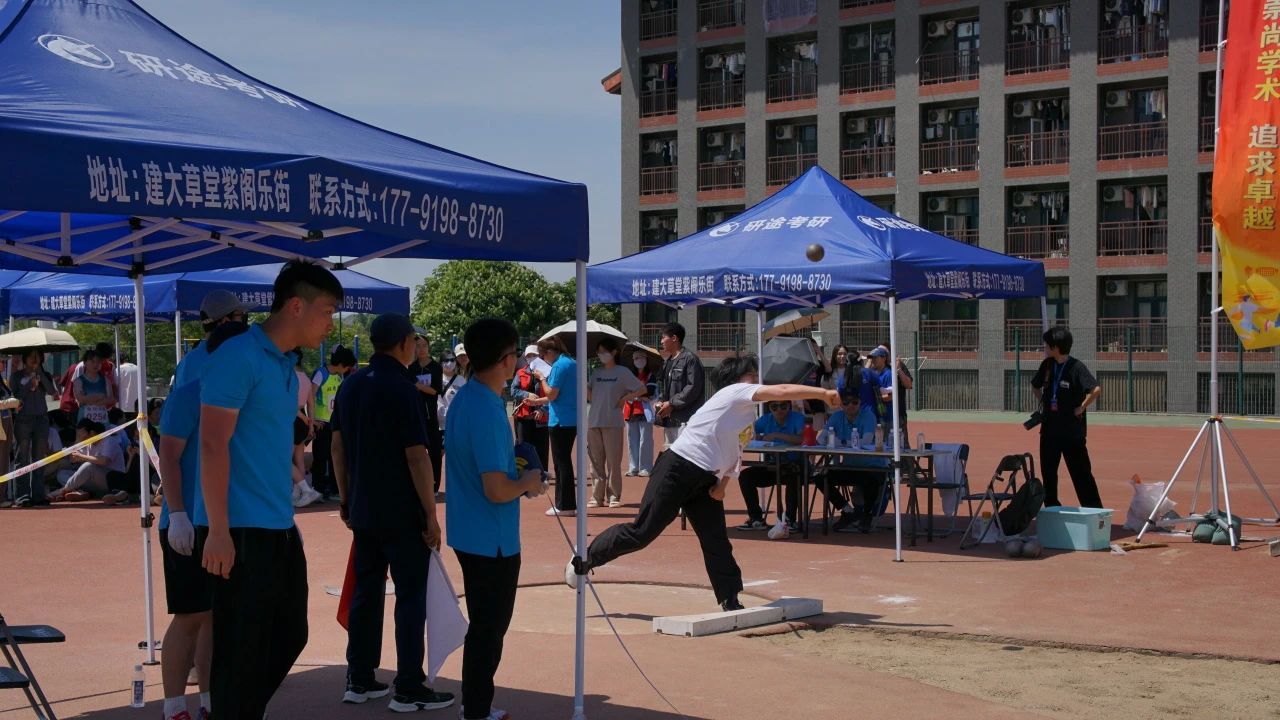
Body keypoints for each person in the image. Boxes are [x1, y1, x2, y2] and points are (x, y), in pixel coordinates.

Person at [568, 355, 839, 610]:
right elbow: (781, 390)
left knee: (716, 539)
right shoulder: (733, 392)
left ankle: (730, 600)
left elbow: (735, 453)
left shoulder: (748, 417)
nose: (757, 379)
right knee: (643, 532)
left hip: (706, 479)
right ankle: (587, 556)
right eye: (751, 375)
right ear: (737, 379)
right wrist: (822, 394)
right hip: (677, 468)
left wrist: (722, 485)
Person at [199, 260, 342, 719]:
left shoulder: (284, 366)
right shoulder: (238, 356)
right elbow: (211, 443)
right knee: (241, 649)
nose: (331, 323)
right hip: (239, 528)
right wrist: (217, 530)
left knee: (289, 634)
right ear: (296, 306)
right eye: (327, 311)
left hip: (278, 523)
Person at [332, 314, 454, 712]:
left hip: (363, 507)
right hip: (401, 510)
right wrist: (430, 514)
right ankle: (409, 685)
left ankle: (359, 676)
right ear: (404, 343)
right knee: (410, 596)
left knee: (366, 592)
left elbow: (337, 446)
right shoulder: (403, 387)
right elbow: (416, 455)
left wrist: (346, 497)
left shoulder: (351, 384)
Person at [445, 318, 547, 720]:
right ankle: (476, 708)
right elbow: (497, 489)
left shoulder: (466, 397)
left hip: (471, 531)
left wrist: (516, 472)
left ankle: (475, 704)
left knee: (485, 627)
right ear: (506, 359)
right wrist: (527, 481)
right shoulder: (486, 409)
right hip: (492, 539)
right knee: (489, 630)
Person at [155, 321, 249, 720]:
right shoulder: (187, 395)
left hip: (220, 522)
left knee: (213, 617)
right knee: (190, 615)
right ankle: (174, 707)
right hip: (185, 523)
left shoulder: (240, 398)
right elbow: (169, 457)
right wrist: (177, 513)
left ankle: (210, 701)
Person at [1031, 327, 1103, 509]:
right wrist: (1044, 401)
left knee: (1081, 474)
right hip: (1049, 431)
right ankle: (1052, 507)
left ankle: (1094, 510)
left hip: (1072, 433)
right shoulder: (1047, 365)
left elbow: (1095, 389)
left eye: (1047, 345)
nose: (1045, 347)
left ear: (1056, 347)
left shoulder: (1076, 367)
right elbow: (1035, 385)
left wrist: (1081, 407)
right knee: (1048, 473)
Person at [586, 338, 647, 508]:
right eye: (599, 352)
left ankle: (613, 496)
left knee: (613, 462)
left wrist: (625, 398)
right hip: (594, 421)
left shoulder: (622, 372)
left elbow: (642, 389)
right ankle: (597, 497)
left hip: (613, 422)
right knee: (595, 462)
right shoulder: (596, 372)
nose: (601, 355)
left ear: (613, 352)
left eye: (604, 351)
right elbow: (591, 397)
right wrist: (584, 386)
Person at [822, 391, 888, 533]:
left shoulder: (869, 416)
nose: (850, 405)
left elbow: (866, 441)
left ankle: (867, 515)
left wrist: (839, 442)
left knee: (870, 479)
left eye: (854, 402)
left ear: (860, 403)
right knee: (821, 477)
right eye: (846, 403)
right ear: (841, 404)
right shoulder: (836, 416)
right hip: (850, 467)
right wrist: (836, 440)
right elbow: (821, 438)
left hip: (873, 467)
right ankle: (847, 510)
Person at [735, 400, 804, 532]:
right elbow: (744, 436)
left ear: (789, 406)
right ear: (770, 408)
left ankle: (790, 520)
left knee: (793, 475)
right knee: (745, 476)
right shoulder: (765, 419)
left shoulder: (797, 418)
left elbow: (802, 439)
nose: (779, 410)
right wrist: (754, 436)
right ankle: (756, 518)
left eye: (783, 406)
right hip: (774, 465)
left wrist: (777, 435)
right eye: (774, 407)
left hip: (796, 464)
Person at [535, 336, 577, 516]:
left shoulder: (559, 365)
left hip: (560, 420)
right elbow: (559, 395)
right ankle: (564, 503)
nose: (543, 358)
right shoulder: (572, 363)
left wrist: (542, 378)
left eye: (543, 355)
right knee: (563, 461)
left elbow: (552, 393)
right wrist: (538, 402)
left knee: (561, 462)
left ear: (550, 352)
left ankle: (565, 505)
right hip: (570, 417)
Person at [10, 349, 58, 507]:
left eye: (38, 356)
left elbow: (52, 391)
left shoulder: (45, 374)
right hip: (23, 419)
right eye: (31, 356)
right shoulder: (16, 376)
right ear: (24, 359)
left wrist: (40, 375)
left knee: (39, 458)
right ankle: (22, 496)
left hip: (41, 419)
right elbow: (14, 397)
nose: (34, 359)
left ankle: (38, 494)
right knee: (22, 458)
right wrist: (28, 386)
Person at [311, 345, 357, 500]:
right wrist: (313, 419)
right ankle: (318, 489)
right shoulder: (321, 373)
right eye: (347, 367)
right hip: (321, 423)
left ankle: (335, 489)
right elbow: (311, 396)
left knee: (335, 457)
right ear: (342, 364)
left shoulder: (339, 377)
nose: (348, 370)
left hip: (335, 423)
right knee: (320, 457)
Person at [175, 290, 249, 387]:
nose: (244, 322)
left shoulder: (185, 363)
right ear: (226, 321)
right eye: (242, 316)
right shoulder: (231, 360)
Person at [47, 419, 125, 501]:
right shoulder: (87, 443)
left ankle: (62, 491)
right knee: (62, 474)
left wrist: (82, 456)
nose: (81, 437)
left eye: (81, 434)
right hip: (95, 481)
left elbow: (104, 461)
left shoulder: (108, 441)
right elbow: (73, 459)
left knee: (88, 466)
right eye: (78, 435)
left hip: (112, 480)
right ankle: (82, 492)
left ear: (92, 433)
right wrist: (77, 442)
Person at [653, 322, 705, 445]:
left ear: (674, 338)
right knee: (670, 453)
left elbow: (693, 387)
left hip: (685, 421)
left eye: (663, 337)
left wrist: (671, 404)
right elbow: (665, 388)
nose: (661, 341)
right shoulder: (667, 362)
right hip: (669, 420)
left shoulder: (690, 359)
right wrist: (660, 401)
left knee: (685, 454)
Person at [408, 333, 445, 495]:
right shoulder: (411, 368)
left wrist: (418, 386)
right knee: (415, 452)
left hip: (431, 416)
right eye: (418, 346)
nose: (421, 349)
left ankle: (434, 486)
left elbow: (435, 390)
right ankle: (416, 484)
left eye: (424, 346)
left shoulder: (436, 367)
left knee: (435, 452)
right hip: (415, 415)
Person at [509, 345, 550, 472]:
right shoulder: (520, 373)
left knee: (542, 448)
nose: (531, 358)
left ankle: (542, 474)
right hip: (524, 417)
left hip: (541, 418)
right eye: (528, 356)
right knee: (524, 447)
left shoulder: (548, 373)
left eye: (534, 355)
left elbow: (552, 395)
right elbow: (513, 390)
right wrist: (527, 395)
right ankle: (523, 473)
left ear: (540, 356)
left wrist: (543, 409)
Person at [292, 350, 322, 508]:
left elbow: (288, 402)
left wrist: (303, 419)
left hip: (292, 418)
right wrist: (310, 424)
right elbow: (311, 404)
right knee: (299, 459)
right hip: (302, 419)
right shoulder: (305, 378)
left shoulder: (289, 376)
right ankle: (297, 493)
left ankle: (305, 489)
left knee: (283, 459)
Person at [870, 345, 913, 447]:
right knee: (879, 445)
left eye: (876, 357)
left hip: (896, 414)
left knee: (900, 445)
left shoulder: (891, 371)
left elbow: (908, 385)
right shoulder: (873, 372)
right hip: (879, 416)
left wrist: (898, 369)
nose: (873, 360)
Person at [623, 351, 657, 477]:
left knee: (645, 441)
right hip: (630, 411)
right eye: (636, 358)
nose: (639, 360)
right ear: (633, 361)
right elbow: (624, 390)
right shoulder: (629, 375)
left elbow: (650, 391)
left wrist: (634, 394)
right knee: (632, 441)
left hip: (644, 411)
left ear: (646, 360)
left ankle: (646, 468)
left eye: (641, 357)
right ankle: (633, 467)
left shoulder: (650, 376)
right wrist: (640, 394)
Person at [73, 348, 115, 424]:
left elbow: (111, 399)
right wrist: (100, 396)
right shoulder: (78, 381)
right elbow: (81, 399)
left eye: (98, 362)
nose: (95, 364)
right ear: (85, 363)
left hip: (102, 420)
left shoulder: (106, 380)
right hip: (85, 421)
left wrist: (89, 398)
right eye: (92, 361)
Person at [438, 350, 467, 430]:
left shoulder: (461, 379)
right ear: (441, 362)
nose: (449, 363)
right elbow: (439, 406)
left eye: (452, 360)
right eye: (446, 360)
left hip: (460, 424)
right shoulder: (437, 380)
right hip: (444, 426)